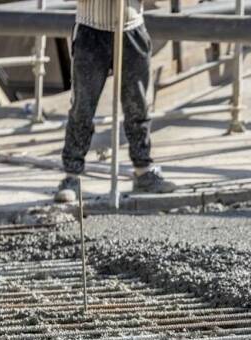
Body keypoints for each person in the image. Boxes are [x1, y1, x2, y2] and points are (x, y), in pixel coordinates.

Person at [55, 0, 177, 203]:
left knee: (137, 105)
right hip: (91, 30)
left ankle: (143, 171)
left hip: (131, 29)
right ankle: (72, 177)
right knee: (82, 107)